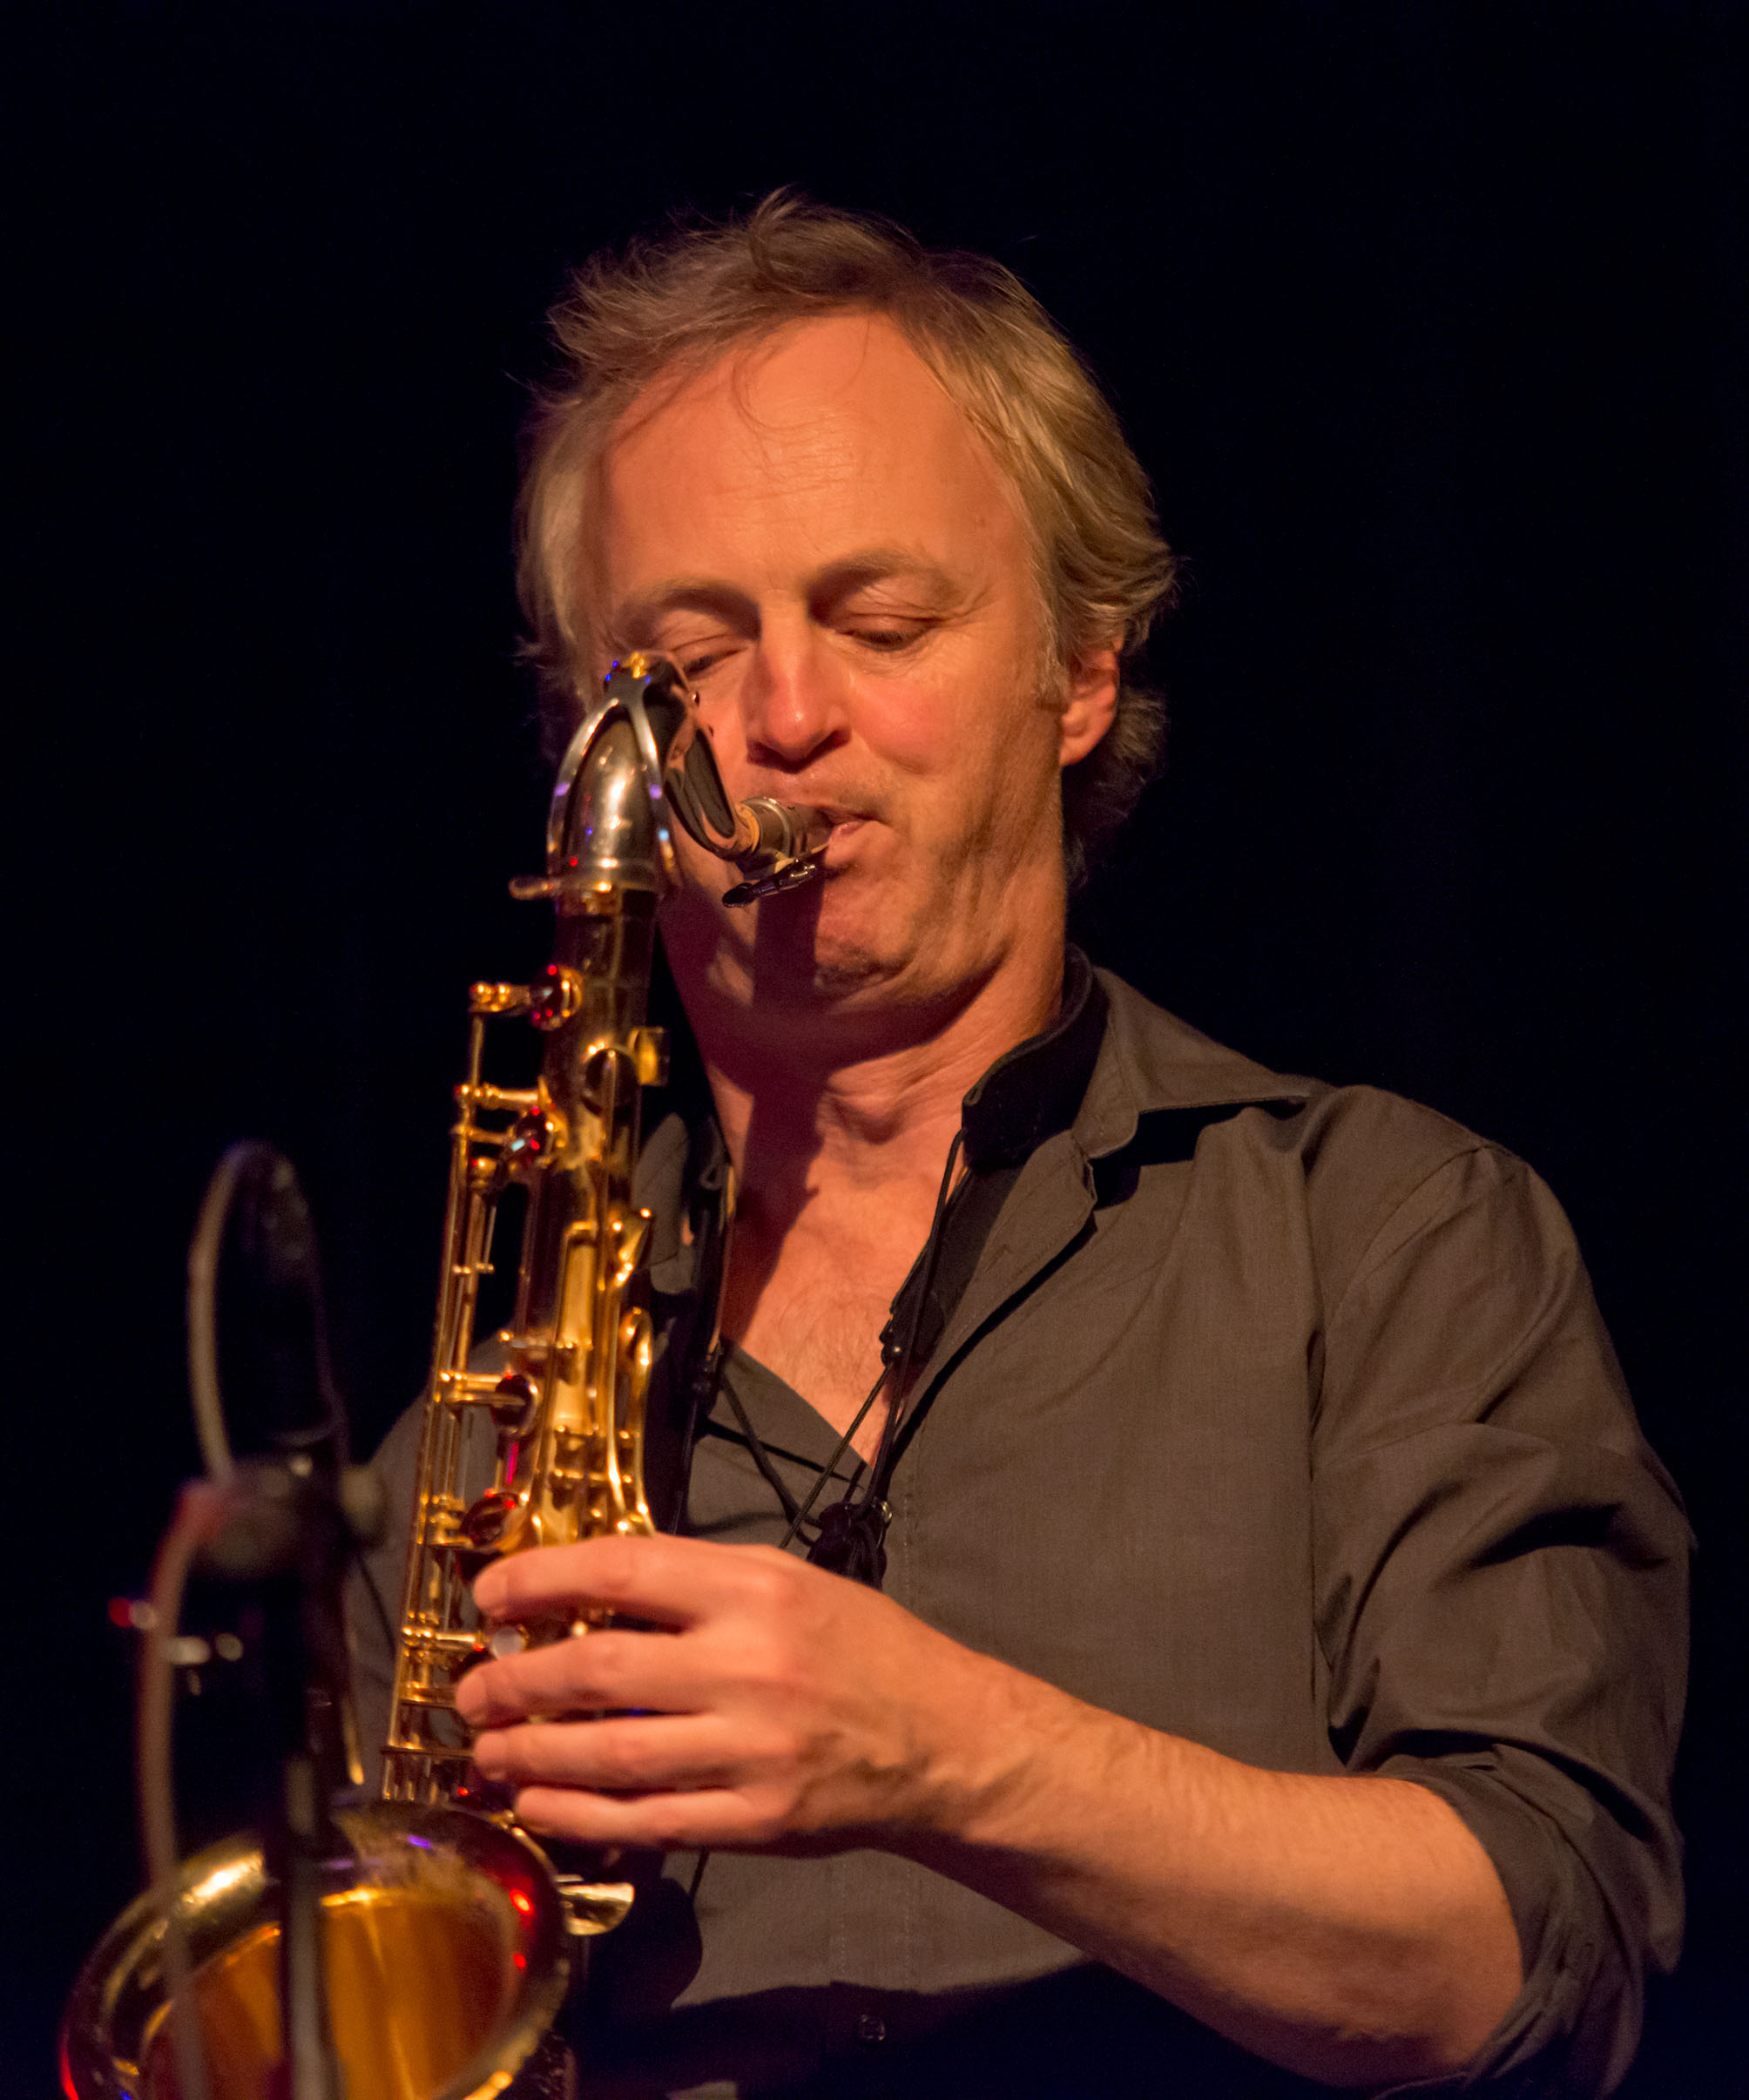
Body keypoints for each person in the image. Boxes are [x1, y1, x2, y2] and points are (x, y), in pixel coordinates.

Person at [354, 195, 1687, 2098]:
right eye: (689, 658)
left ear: (1075, 672)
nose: (783, 719)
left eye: (882, 623)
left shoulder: (1388, 1236)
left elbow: (1534, 1955)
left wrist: (948, 1755)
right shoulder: (466, 1448)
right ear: (599, 747)